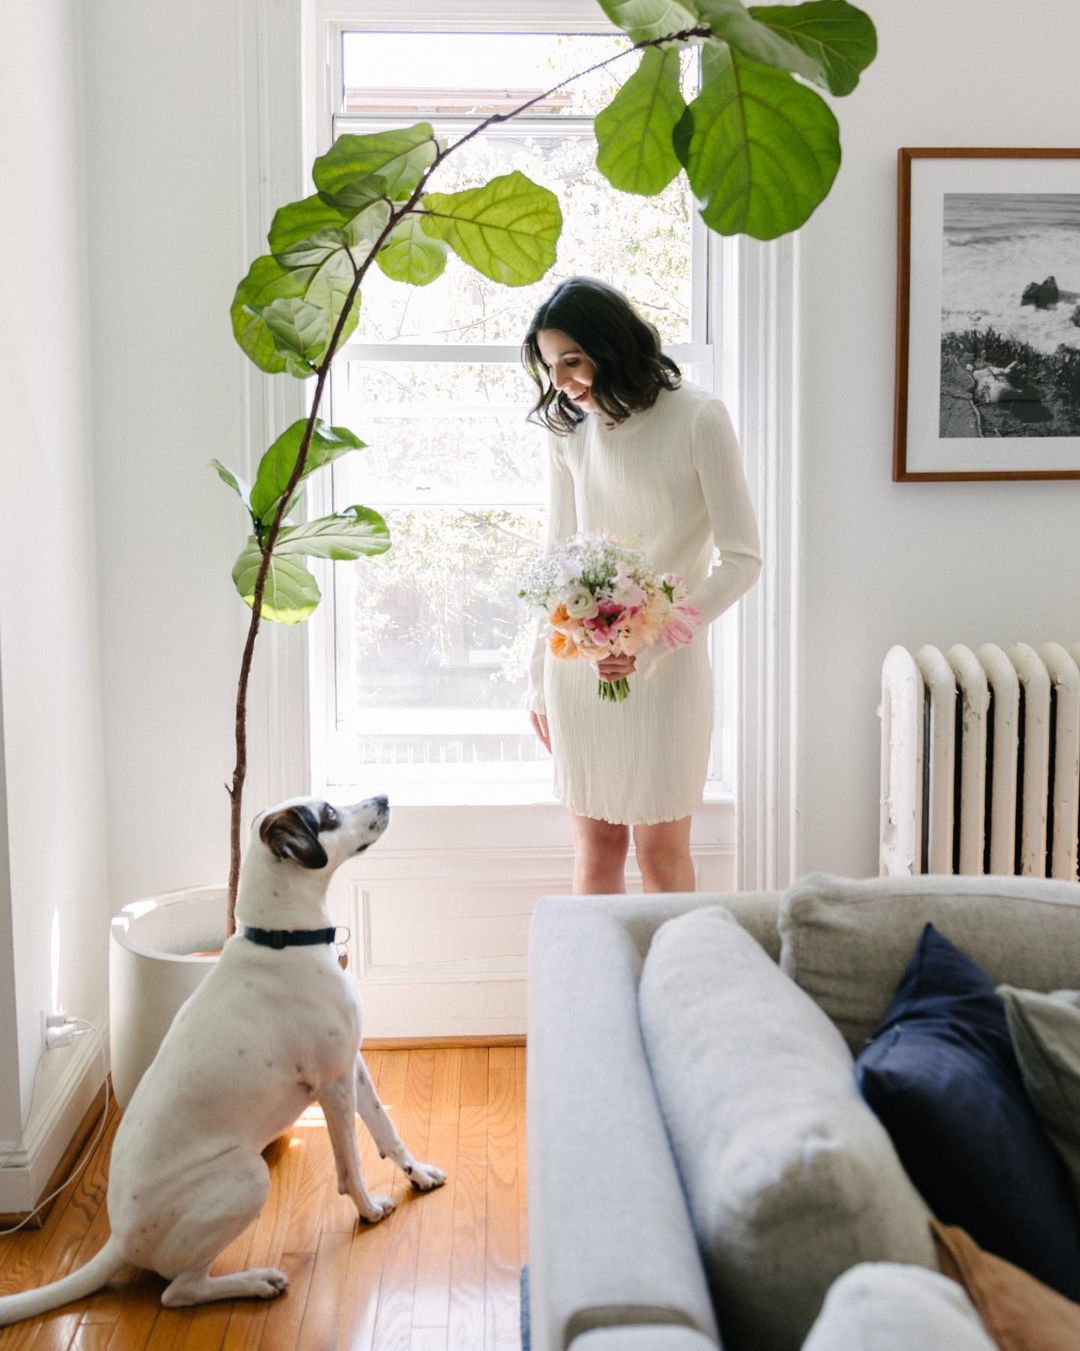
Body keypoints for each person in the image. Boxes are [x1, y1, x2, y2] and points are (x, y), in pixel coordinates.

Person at [521, 276, 762, 895]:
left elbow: (741, 558)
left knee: (662, 854)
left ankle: (671, 989)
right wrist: (538, 679)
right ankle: (597, 991)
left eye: (572, 360)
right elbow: (558, 556)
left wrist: (650, 643)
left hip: (667, 669)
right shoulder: (569, 431)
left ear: (614, 343)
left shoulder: (698, 418)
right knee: (597, 850)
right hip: (579, 668)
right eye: (551, 367)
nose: (562, 381)